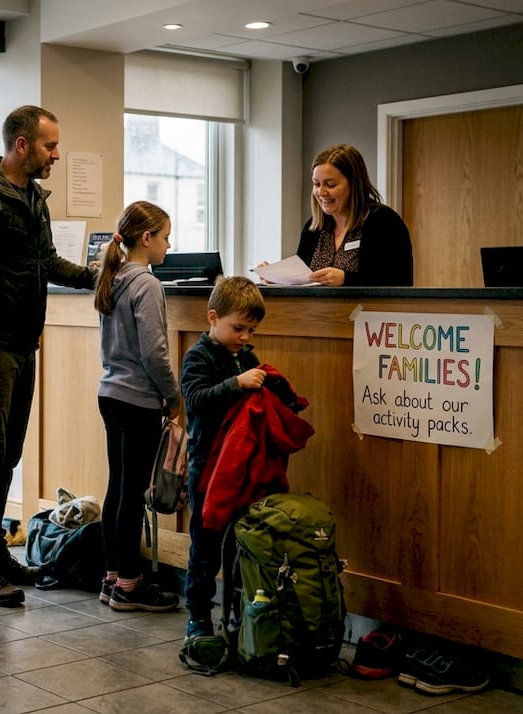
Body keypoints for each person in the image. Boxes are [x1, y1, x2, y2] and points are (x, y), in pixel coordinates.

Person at [0, 105, 97, 607]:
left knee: (8, 453)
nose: (56, 154)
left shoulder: (33, 196)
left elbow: (46, 260)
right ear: (21, 145)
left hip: (22, 343)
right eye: (50, 146)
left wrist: (95, 277)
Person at [93, 200, 182, 613]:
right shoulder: (146, 284)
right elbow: (155, 352)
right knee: (132, 493)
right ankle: (130, 585)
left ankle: (112, 576)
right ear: (146, 239)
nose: (168, 244)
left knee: (118, 486)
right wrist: (173, 393)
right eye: (165, 237)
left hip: (110, 392)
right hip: (138, 398)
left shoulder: (114, 277)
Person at [178, 276, 268, 639]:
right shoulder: (197, 357)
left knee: (238, 544)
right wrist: (236, 384)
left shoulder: (246, 356)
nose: (245, 337)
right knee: (205, 544)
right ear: (213, 318)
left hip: (240, 465)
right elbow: (196, 399)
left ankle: (235, 611)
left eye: (251, 330)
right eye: (238, 328)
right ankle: (198, 615)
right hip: (207, 466)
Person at [295, 144, 413, 287]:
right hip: (314, 309)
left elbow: (399, 281)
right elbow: (302, 279)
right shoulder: (313, 228)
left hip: (368, 309)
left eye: (330, 185)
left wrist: (347, 279)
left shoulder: (384, 222)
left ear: (354, 184)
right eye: (316, 184)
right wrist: (279, 280)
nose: (321, 192)